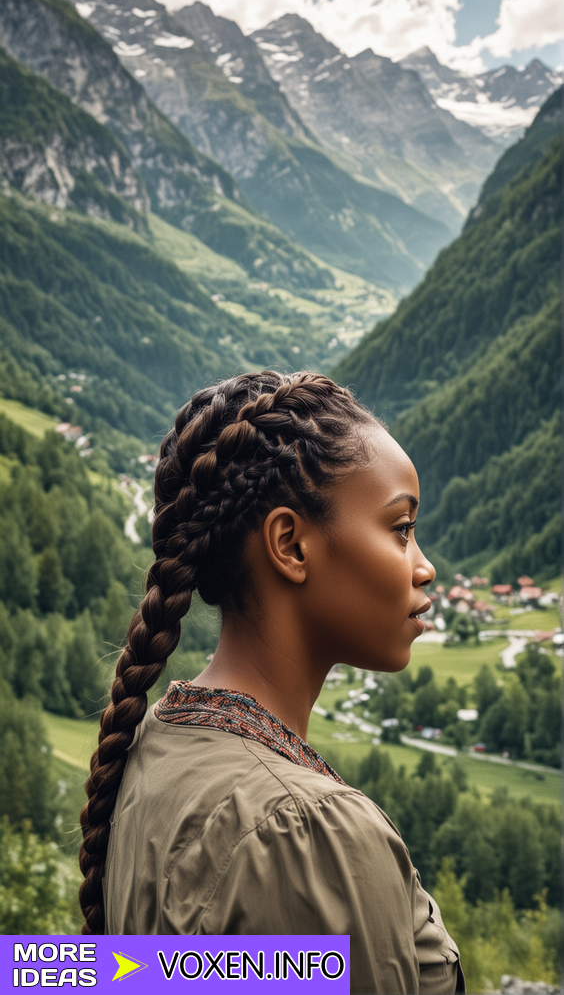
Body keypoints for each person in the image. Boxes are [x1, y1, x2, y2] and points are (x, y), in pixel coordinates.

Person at [79, 370, 465, 994]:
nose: (424, 567)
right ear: (290, 545)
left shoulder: (158, 744)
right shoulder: (302, 835)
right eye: (401, 528)